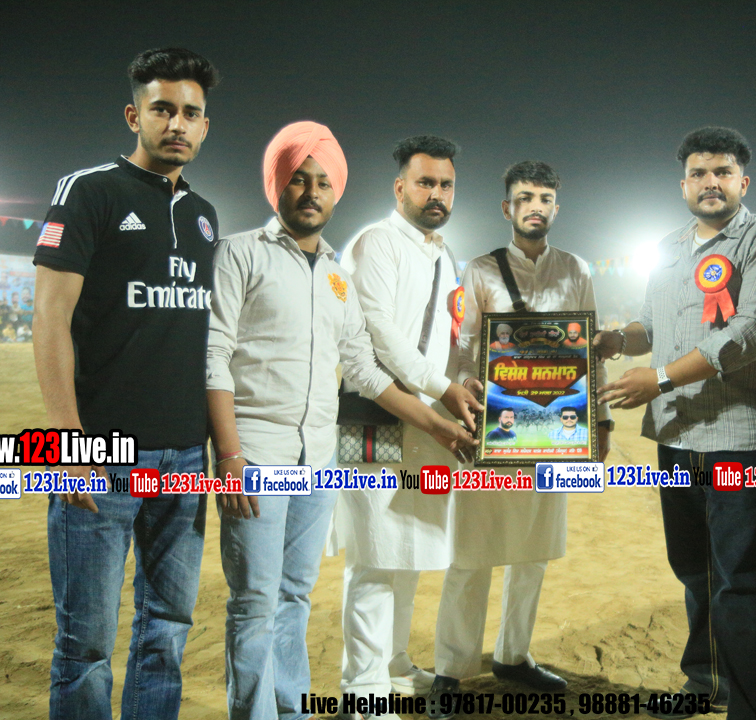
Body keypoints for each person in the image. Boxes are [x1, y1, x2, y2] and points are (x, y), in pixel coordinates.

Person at [207, 121, 477, 720]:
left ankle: (311, 700)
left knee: (311, 588)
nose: (311, 192)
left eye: (323, 181)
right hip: (302, 441)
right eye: (298, 179)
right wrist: (227, 455)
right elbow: (215, 355)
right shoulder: (257, 251)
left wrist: (441, 414)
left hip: (332, 446)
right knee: (289, 588)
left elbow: (370, 360)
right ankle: (339, 694)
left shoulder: (348, 268)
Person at [33, 47, 220, 719]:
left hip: (185, 459)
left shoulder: (204, 216)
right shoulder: (89, 190)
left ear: (205, 125)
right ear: (134, 115)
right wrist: (66, 447)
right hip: (102, 458)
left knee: (166, 634)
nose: (177, 123)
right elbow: (49, 318)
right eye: (163, 109)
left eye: (191, 113)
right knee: (85, 647)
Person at [596, 127, 756, 720]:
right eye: (699, 173)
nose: (711, 182)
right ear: (683, 184)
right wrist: (616, 340)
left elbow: (750, 332)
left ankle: (753, 709)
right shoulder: (668, 247)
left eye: (723, 172)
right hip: (677, 437)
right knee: (693, 568)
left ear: (743, 182)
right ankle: (706, 682)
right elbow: (651, 325)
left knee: (741, 577)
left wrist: (659, 379)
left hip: (742, 438)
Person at [429, 160, 610, 717]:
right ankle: (450, 668)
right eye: (525, 197)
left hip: (557, 429)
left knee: (533, 550)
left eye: (545, 198)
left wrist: (601, 421)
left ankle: (513, 654)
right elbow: (463, 347)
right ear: (507, 207)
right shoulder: (481, 270)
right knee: (471, 551)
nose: (536, 206)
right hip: (495, 428)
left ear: (557, 207)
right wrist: (465, 387)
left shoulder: (576, 269)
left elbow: (591, 352)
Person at [332, 135, 483, 707]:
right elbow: (381, 336)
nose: (436, 193)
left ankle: (394, 666)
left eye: (446, 184)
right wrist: (443, 387)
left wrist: (460, 380)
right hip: (370, 416)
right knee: (373, 554)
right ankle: (362, 689)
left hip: (429, 420)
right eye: (425, 183)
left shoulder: (442, 253)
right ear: (400, 188)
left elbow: (445, 337)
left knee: (409, 549)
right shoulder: (376, 243)